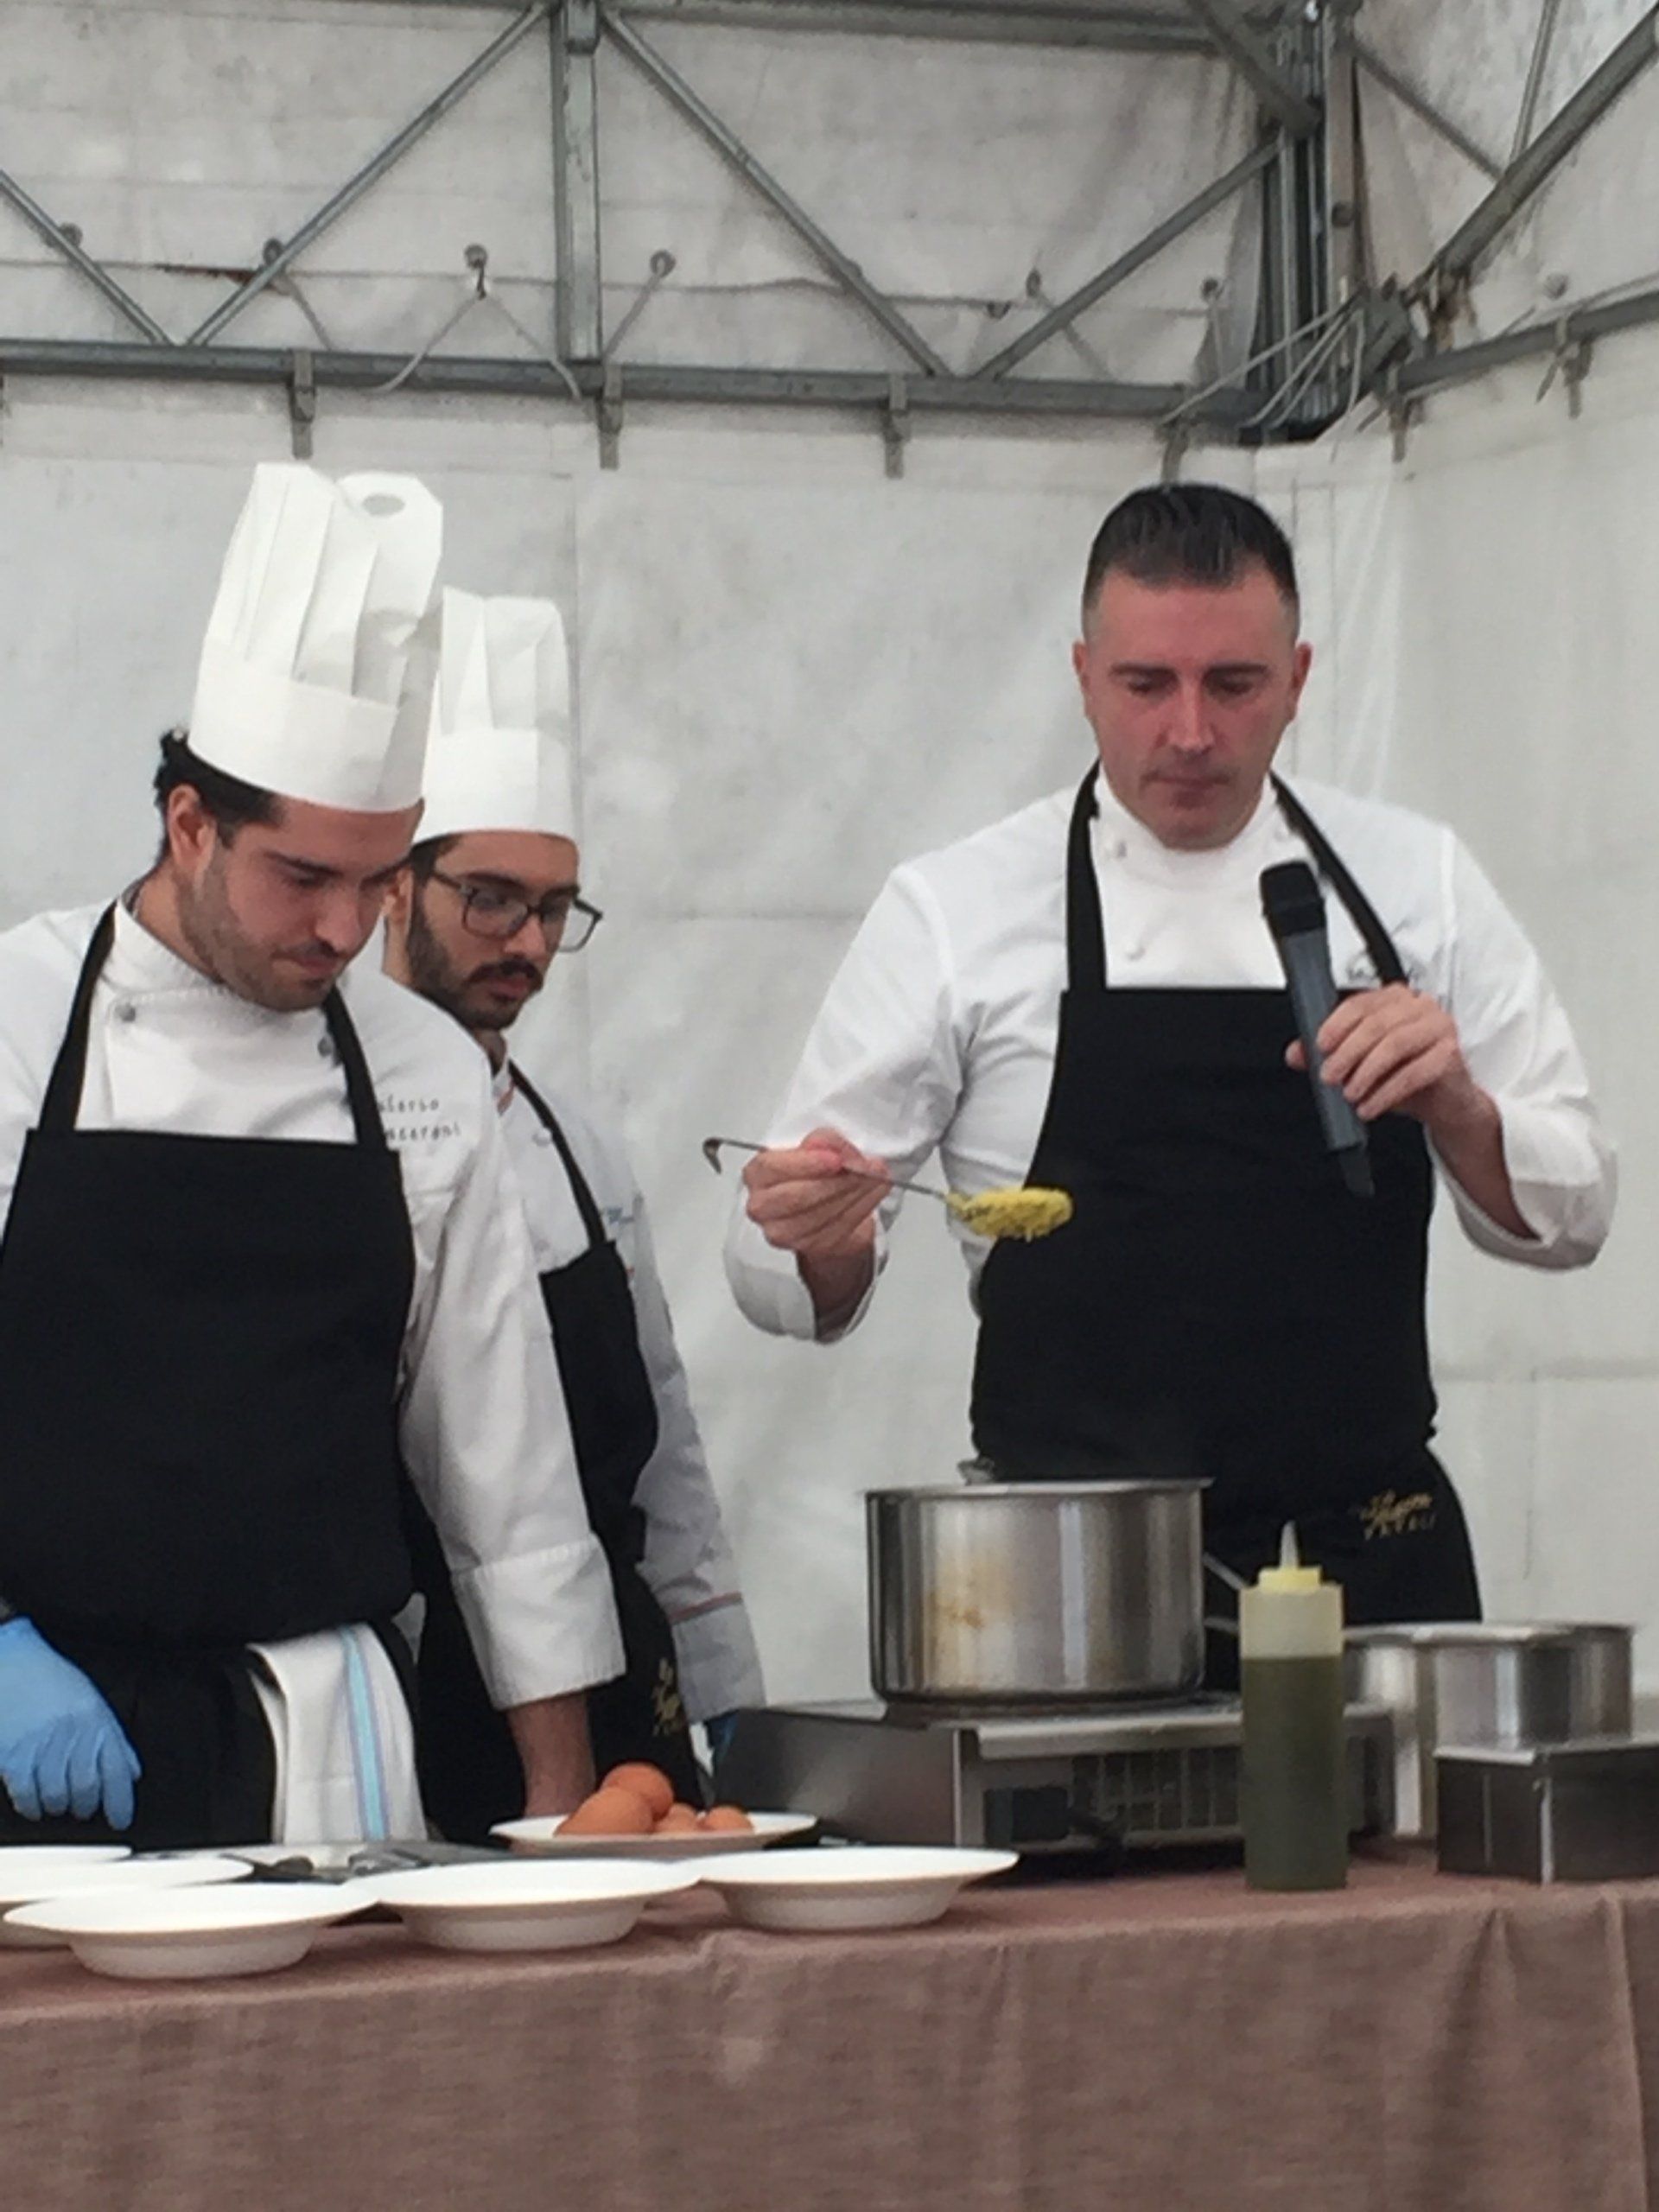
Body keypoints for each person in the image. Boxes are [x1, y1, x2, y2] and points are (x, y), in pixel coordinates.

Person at [727, 483, 1615, 1671]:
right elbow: (779, 1277)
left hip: (1374, 1572)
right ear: (1084, 678)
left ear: (1298, 680)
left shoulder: (1417, 882)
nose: (1190, 732)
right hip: (1071, 1587)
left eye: (1233, 685)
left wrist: (1456, 1105)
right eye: (1147, 685)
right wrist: (817, 1232)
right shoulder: (955, 909)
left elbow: (1576, 1214)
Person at [0, 464, 622, 1848]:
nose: (346, 928)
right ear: (189, 825)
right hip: (34, 1733)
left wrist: (562, 1802)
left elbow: (506, 1471)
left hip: (319, 1752)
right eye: (303, 876)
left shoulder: (420, 1072)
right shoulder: (16, 1024)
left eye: (378, 879)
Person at [383, 588, 764, 1836]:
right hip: (425, 1684)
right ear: (393, 888)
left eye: (553, 909)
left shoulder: (579, 1147)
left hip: (621, 1688)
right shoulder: (330, 1138)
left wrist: (729, 1697)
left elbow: (668, 1454)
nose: (529, 944)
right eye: (491, 899)